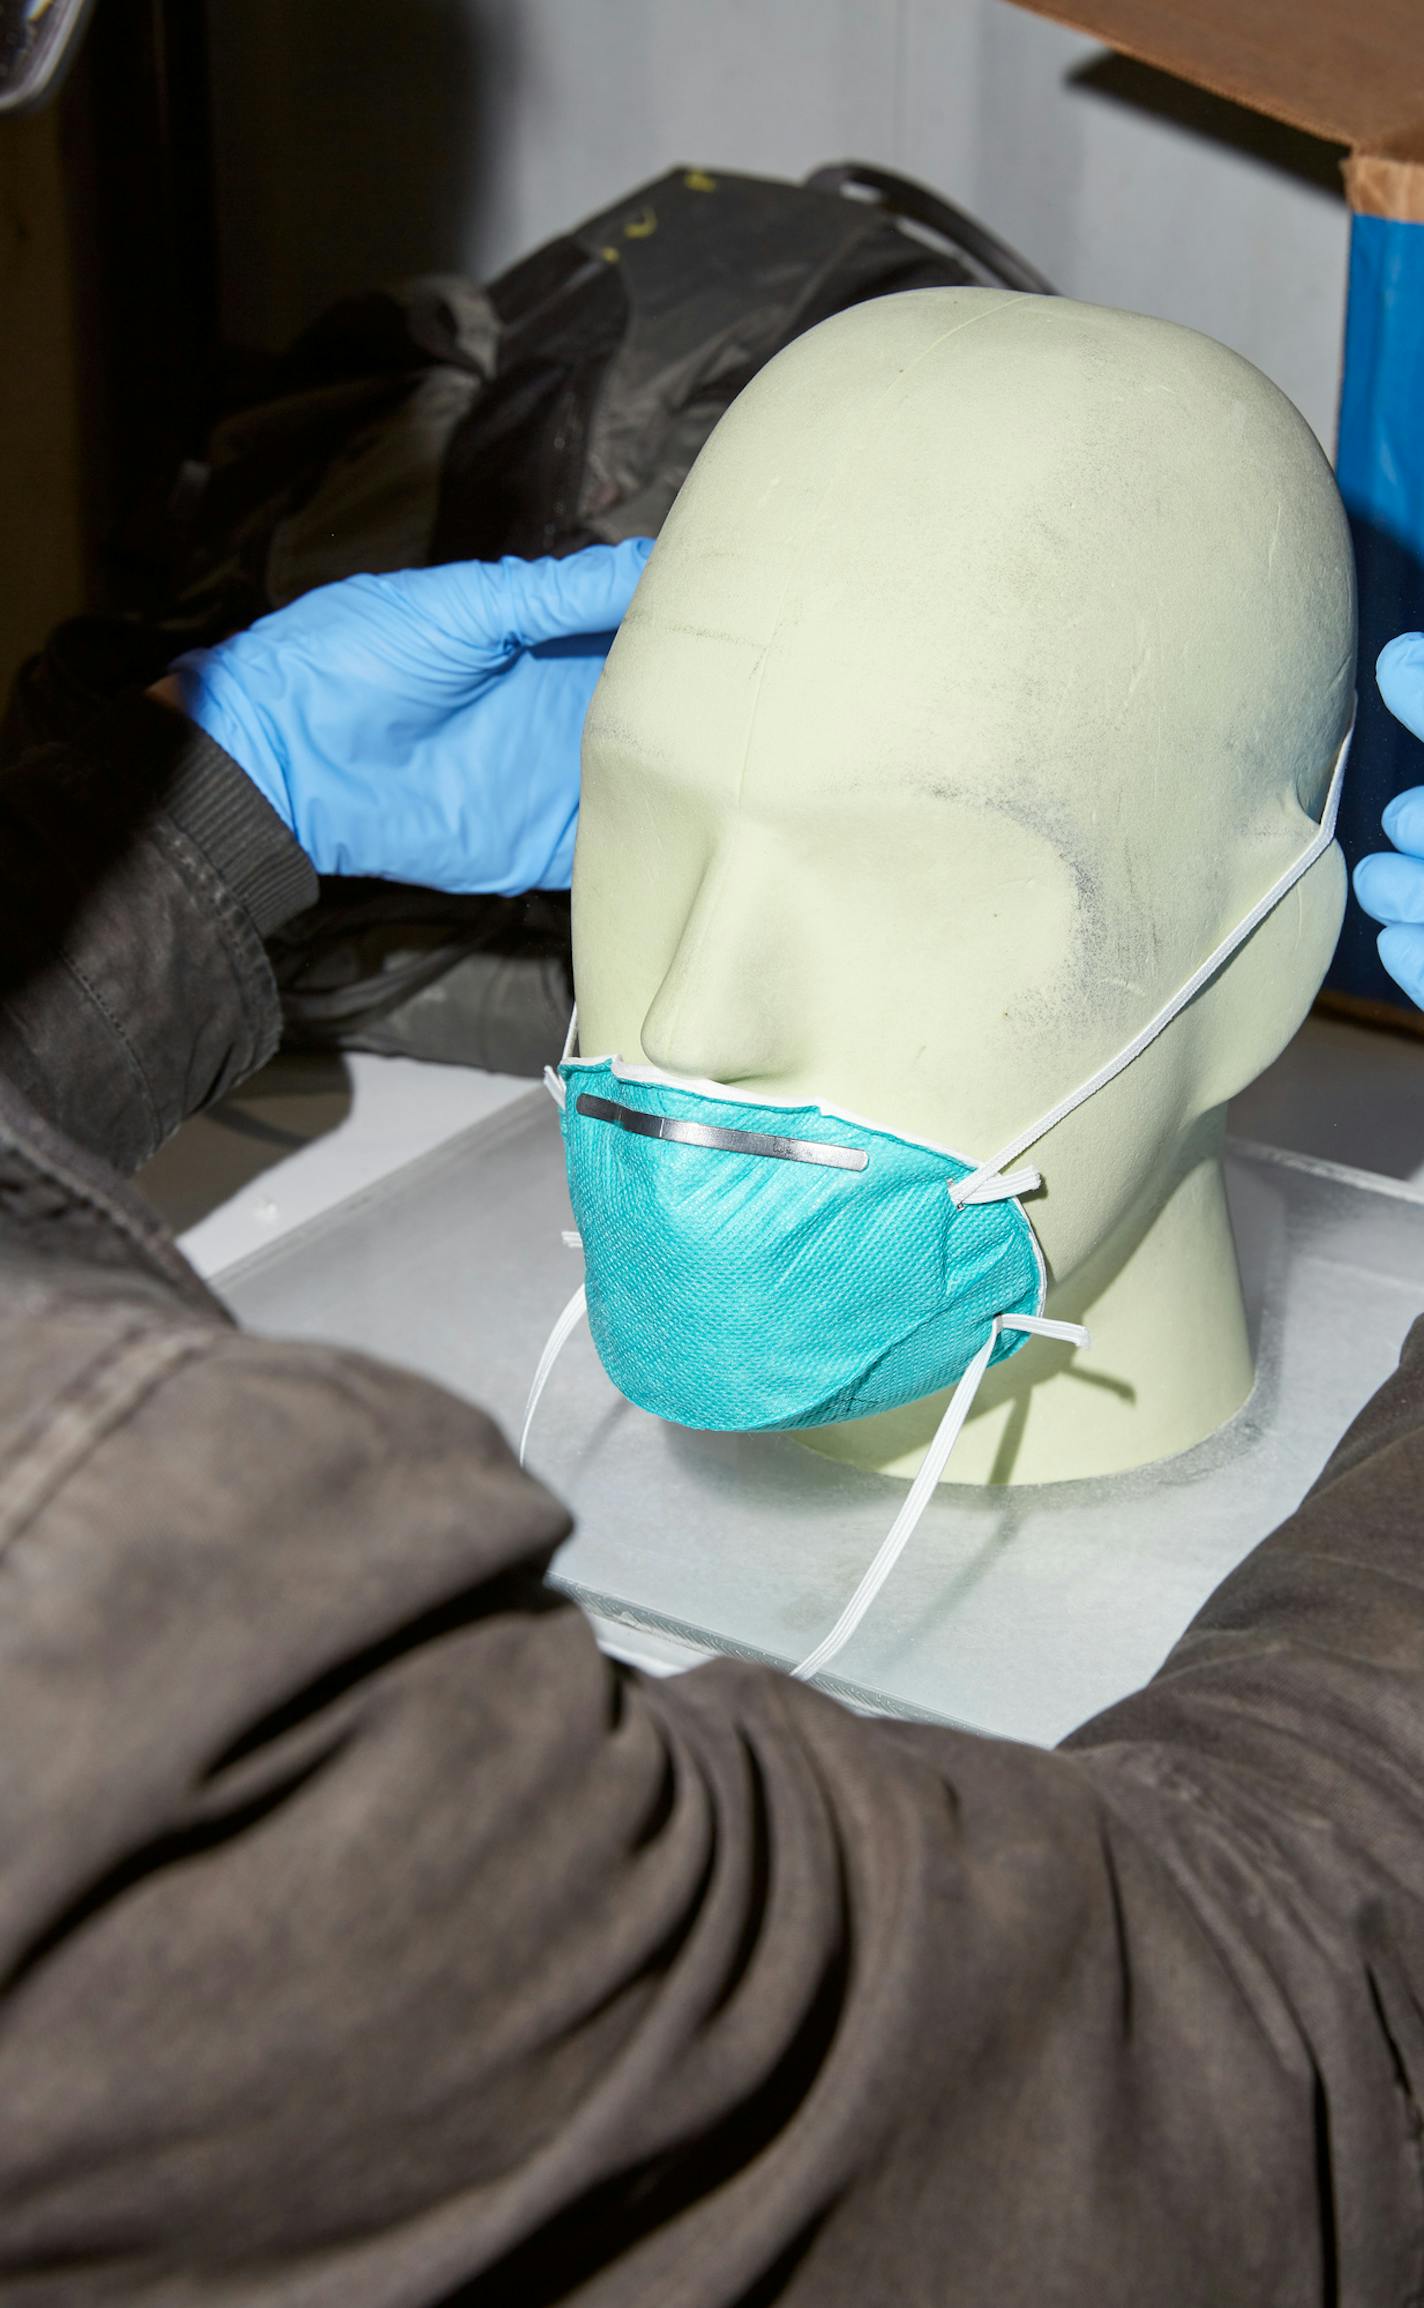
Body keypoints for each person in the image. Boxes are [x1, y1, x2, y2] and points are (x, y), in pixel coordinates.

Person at [4, 543, 1424, 2304]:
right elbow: (1223, 2062)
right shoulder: (136, 1638)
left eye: (906, 880)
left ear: (1269, 946)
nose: (686, 1013)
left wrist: (196, 809)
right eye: (647, 824)